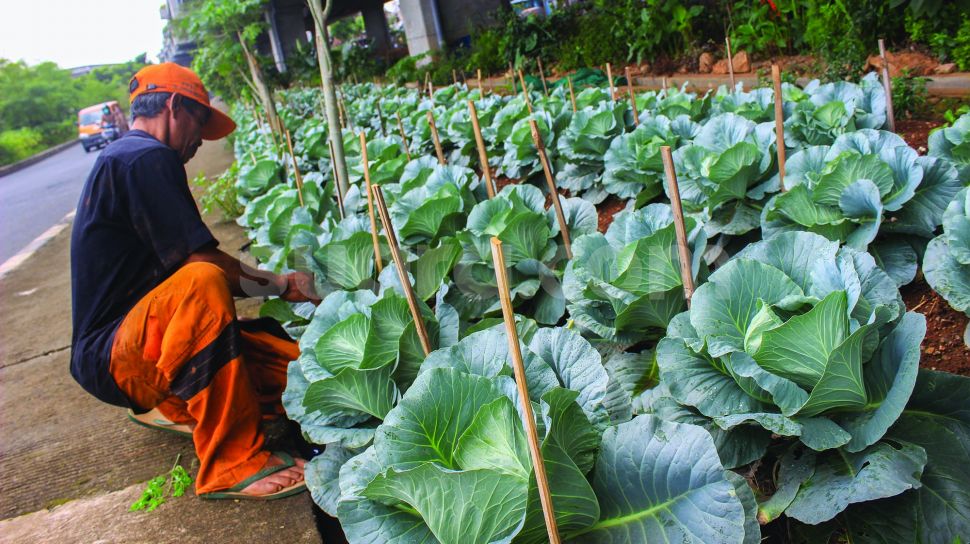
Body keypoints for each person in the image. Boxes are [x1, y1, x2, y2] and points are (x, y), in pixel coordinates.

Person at [70, 63, 318, 500]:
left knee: (295, 375)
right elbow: (203, 263)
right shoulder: (146, 157)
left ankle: (168, 404)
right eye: (201, 122)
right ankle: (233, 461)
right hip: (118, 354)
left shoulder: (129, 156)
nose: (200, 140)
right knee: (203, 281)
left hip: (140, 346)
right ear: (173, 107)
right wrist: (281, 284)